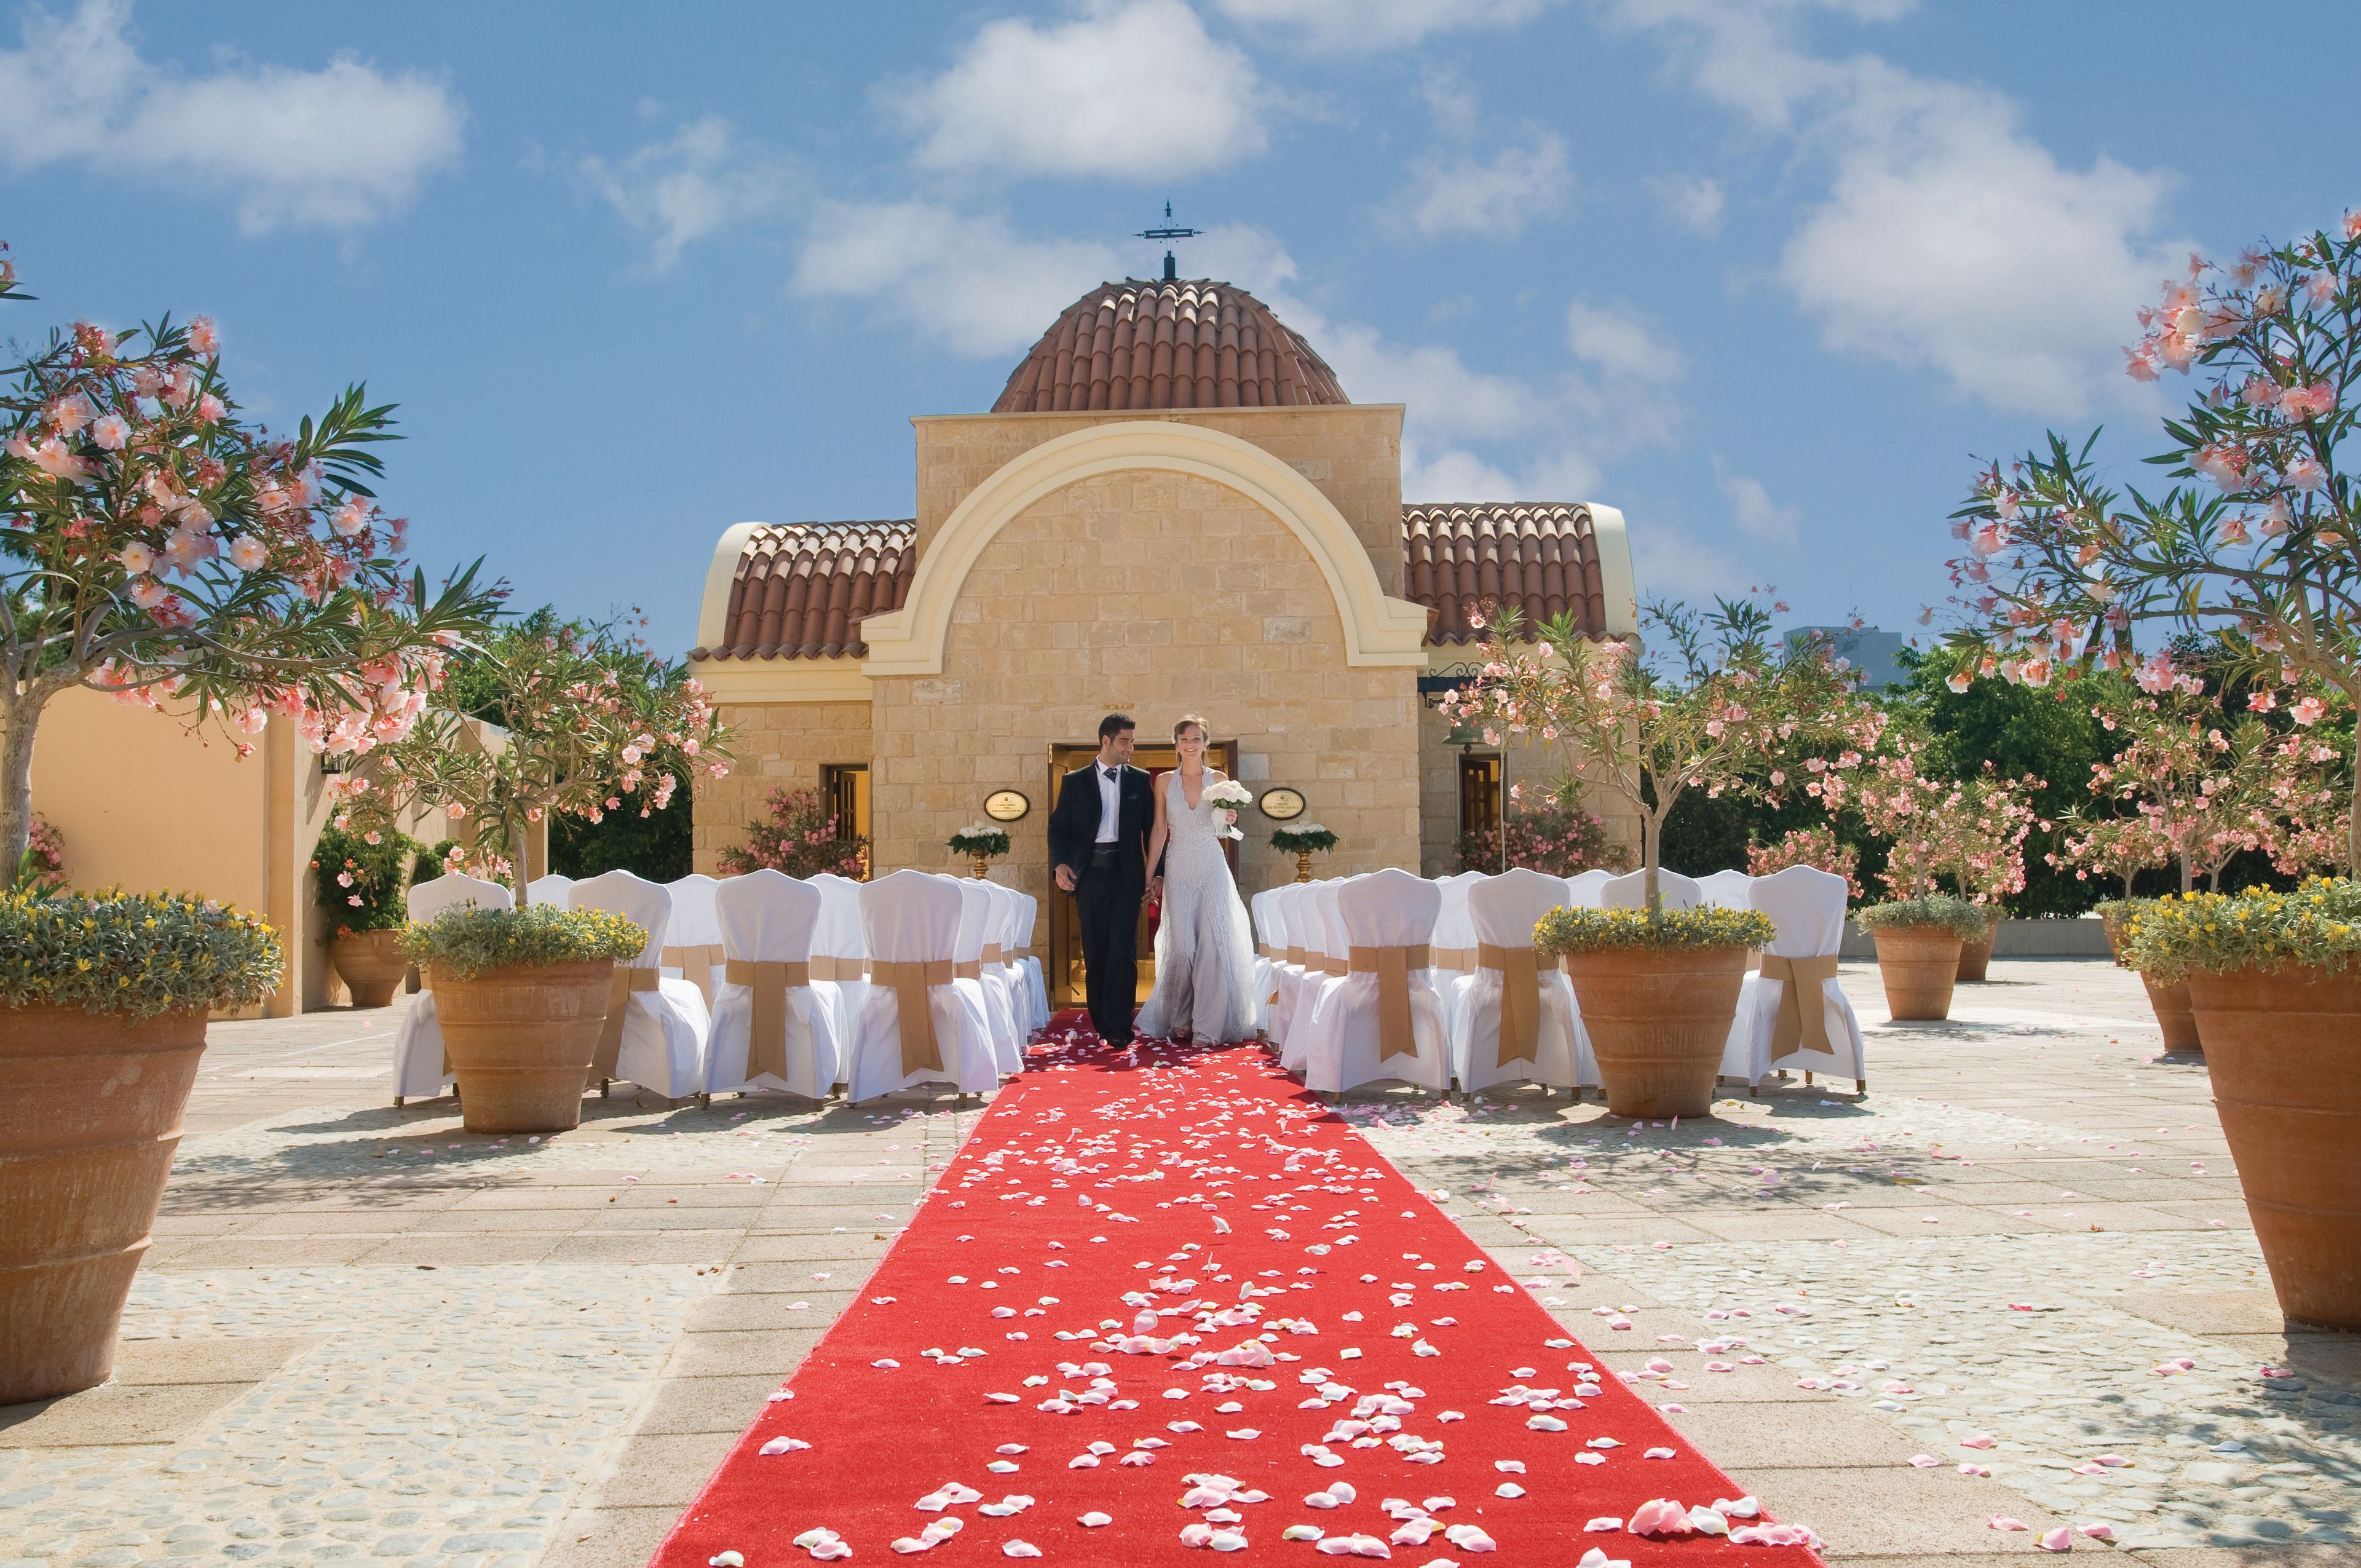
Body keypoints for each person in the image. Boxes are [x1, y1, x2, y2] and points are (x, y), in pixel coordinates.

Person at [1135, 715, 1259, 1045]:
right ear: (1176, 745)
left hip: (1211, 866)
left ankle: (1206, 1024)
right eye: (1184, 739)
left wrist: (1229, 818)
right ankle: (1181, 1015)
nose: (1190, 745)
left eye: (1196, 739)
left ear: (1205, 744)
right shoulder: (1164, 782)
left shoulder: (1219, 780)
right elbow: (1159, 829)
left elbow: (1224, 830)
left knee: (1211, 945)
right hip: (1178, 867)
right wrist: (1149, 875)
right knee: (1183, 947)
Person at [1048, 713, 1158, 1047]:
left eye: (1132, 741)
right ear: (1106, 740)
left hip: (1127, 876)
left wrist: (1158, 874)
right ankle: (1101, 1021)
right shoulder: (1074, 781)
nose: (1131, 748)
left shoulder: (1140, 780)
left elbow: (1154, 831)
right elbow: (1059, 828)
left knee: (1123, 951)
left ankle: (1120, 1027)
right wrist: (1059, 864)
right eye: (1125, 741)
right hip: (1089, 875)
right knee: (1096, 950)